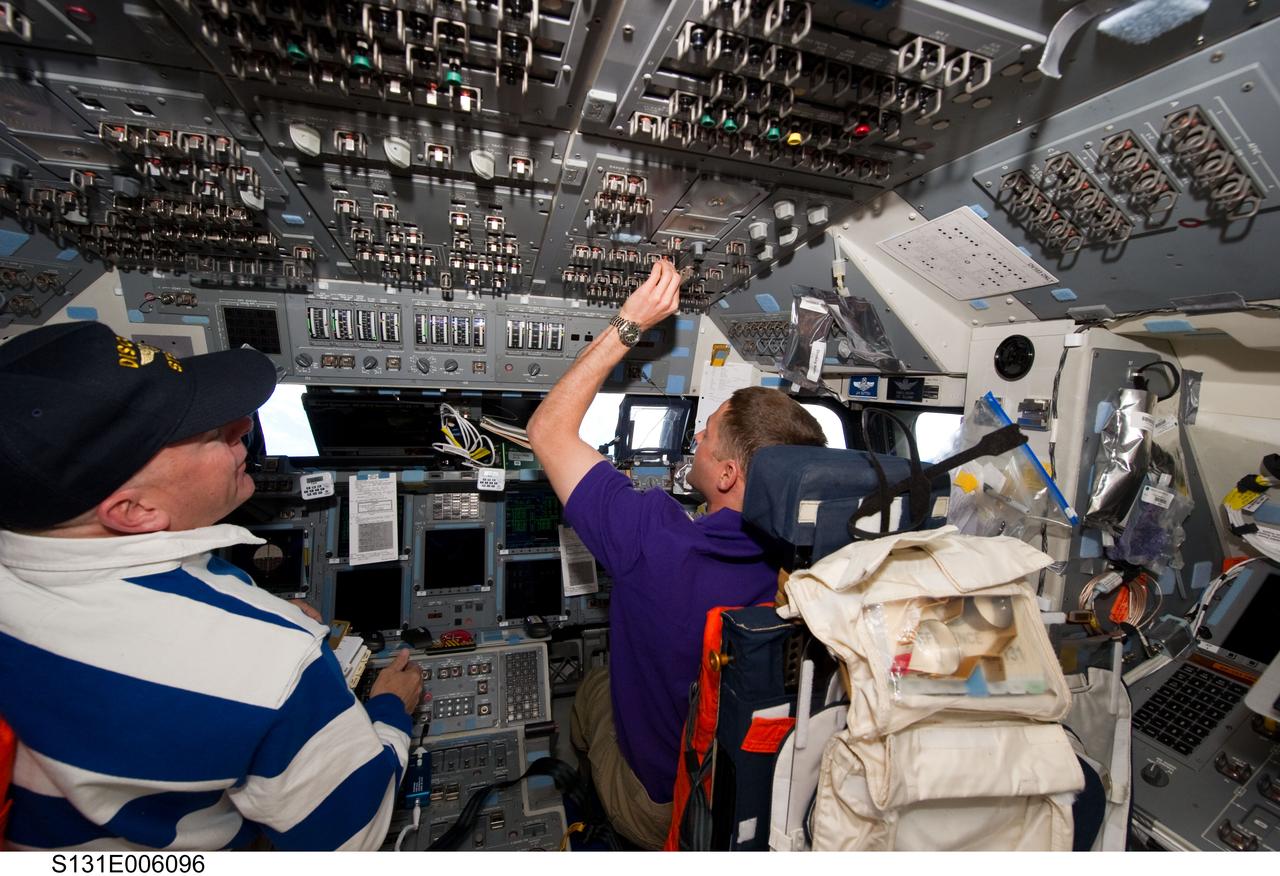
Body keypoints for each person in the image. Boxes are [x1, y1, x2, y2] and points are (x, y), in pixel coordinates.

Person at [0, 321, 423, 850]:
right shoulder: (270, 659)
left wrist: (242, 618)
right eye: (209, 433)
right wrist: (389, 709)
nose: (243, 424)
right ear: (134, 511)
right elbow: (350, 842)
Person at [526, 260, 827, 848]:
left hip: (660, 805)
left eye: (707, 434)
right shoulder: (819, 563)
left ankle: (595, 813)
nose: (696, 439)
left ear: (728, 474)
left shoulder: (655, 539)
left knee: (593, 687)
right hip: (752, 796)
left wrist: (630, 324)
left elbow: (547, 431)